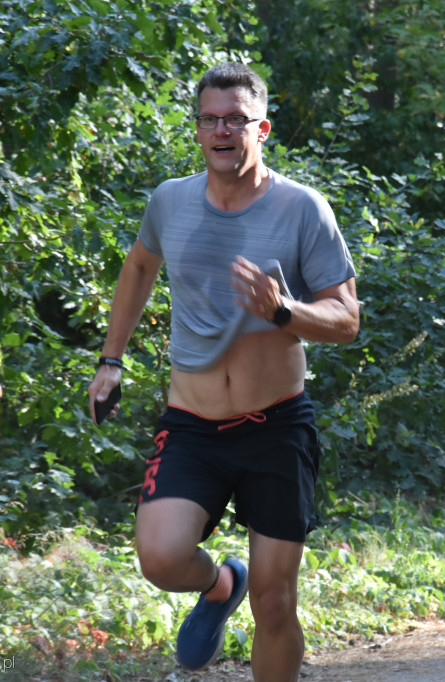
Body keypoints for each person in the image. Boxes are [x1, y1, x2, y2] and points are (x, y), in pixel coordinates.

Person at [87, 62, 359, 681]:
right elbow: (137, 270)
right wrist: (111, 360)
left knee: (275, 600)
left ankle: (248, 587)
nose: (221, 131)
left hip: (278, 426)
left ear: (261, 127)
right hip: (193, 423)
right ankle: (219, 582)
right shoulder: (170, 202)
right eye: (210, 119)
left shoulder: (302, 210)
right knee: (158, 558)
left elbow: (346, 320)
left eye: (235, 120)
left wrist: (284, 310)